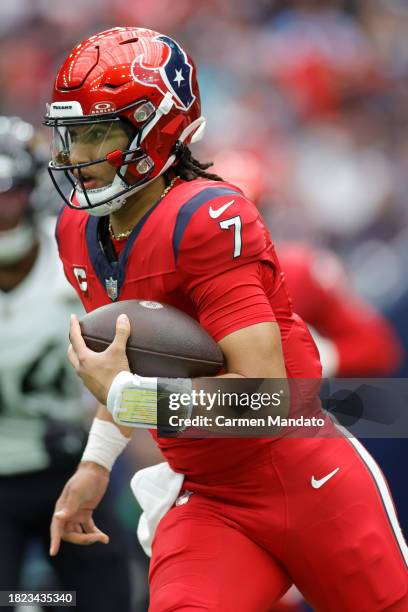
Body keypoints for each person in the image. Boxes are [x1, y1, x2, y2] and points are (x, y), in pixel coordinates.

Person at [44, 27, 408, 611]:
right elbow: (123, 366)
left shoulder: (208, 218)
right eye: (71, 136)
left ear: (156, 128)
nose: (76, 157)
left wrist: (133, 400)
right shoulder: (78, 231)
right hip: (211, 495)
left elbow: (265, 398)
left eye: (98, 134)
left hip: (302, 475)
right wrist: (95, 464)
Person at [0, 116, 132, 612]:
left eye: (8, 193)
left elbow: (127, 364)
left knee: (105, 598)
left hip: (72, 463)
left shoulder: (73, 258)